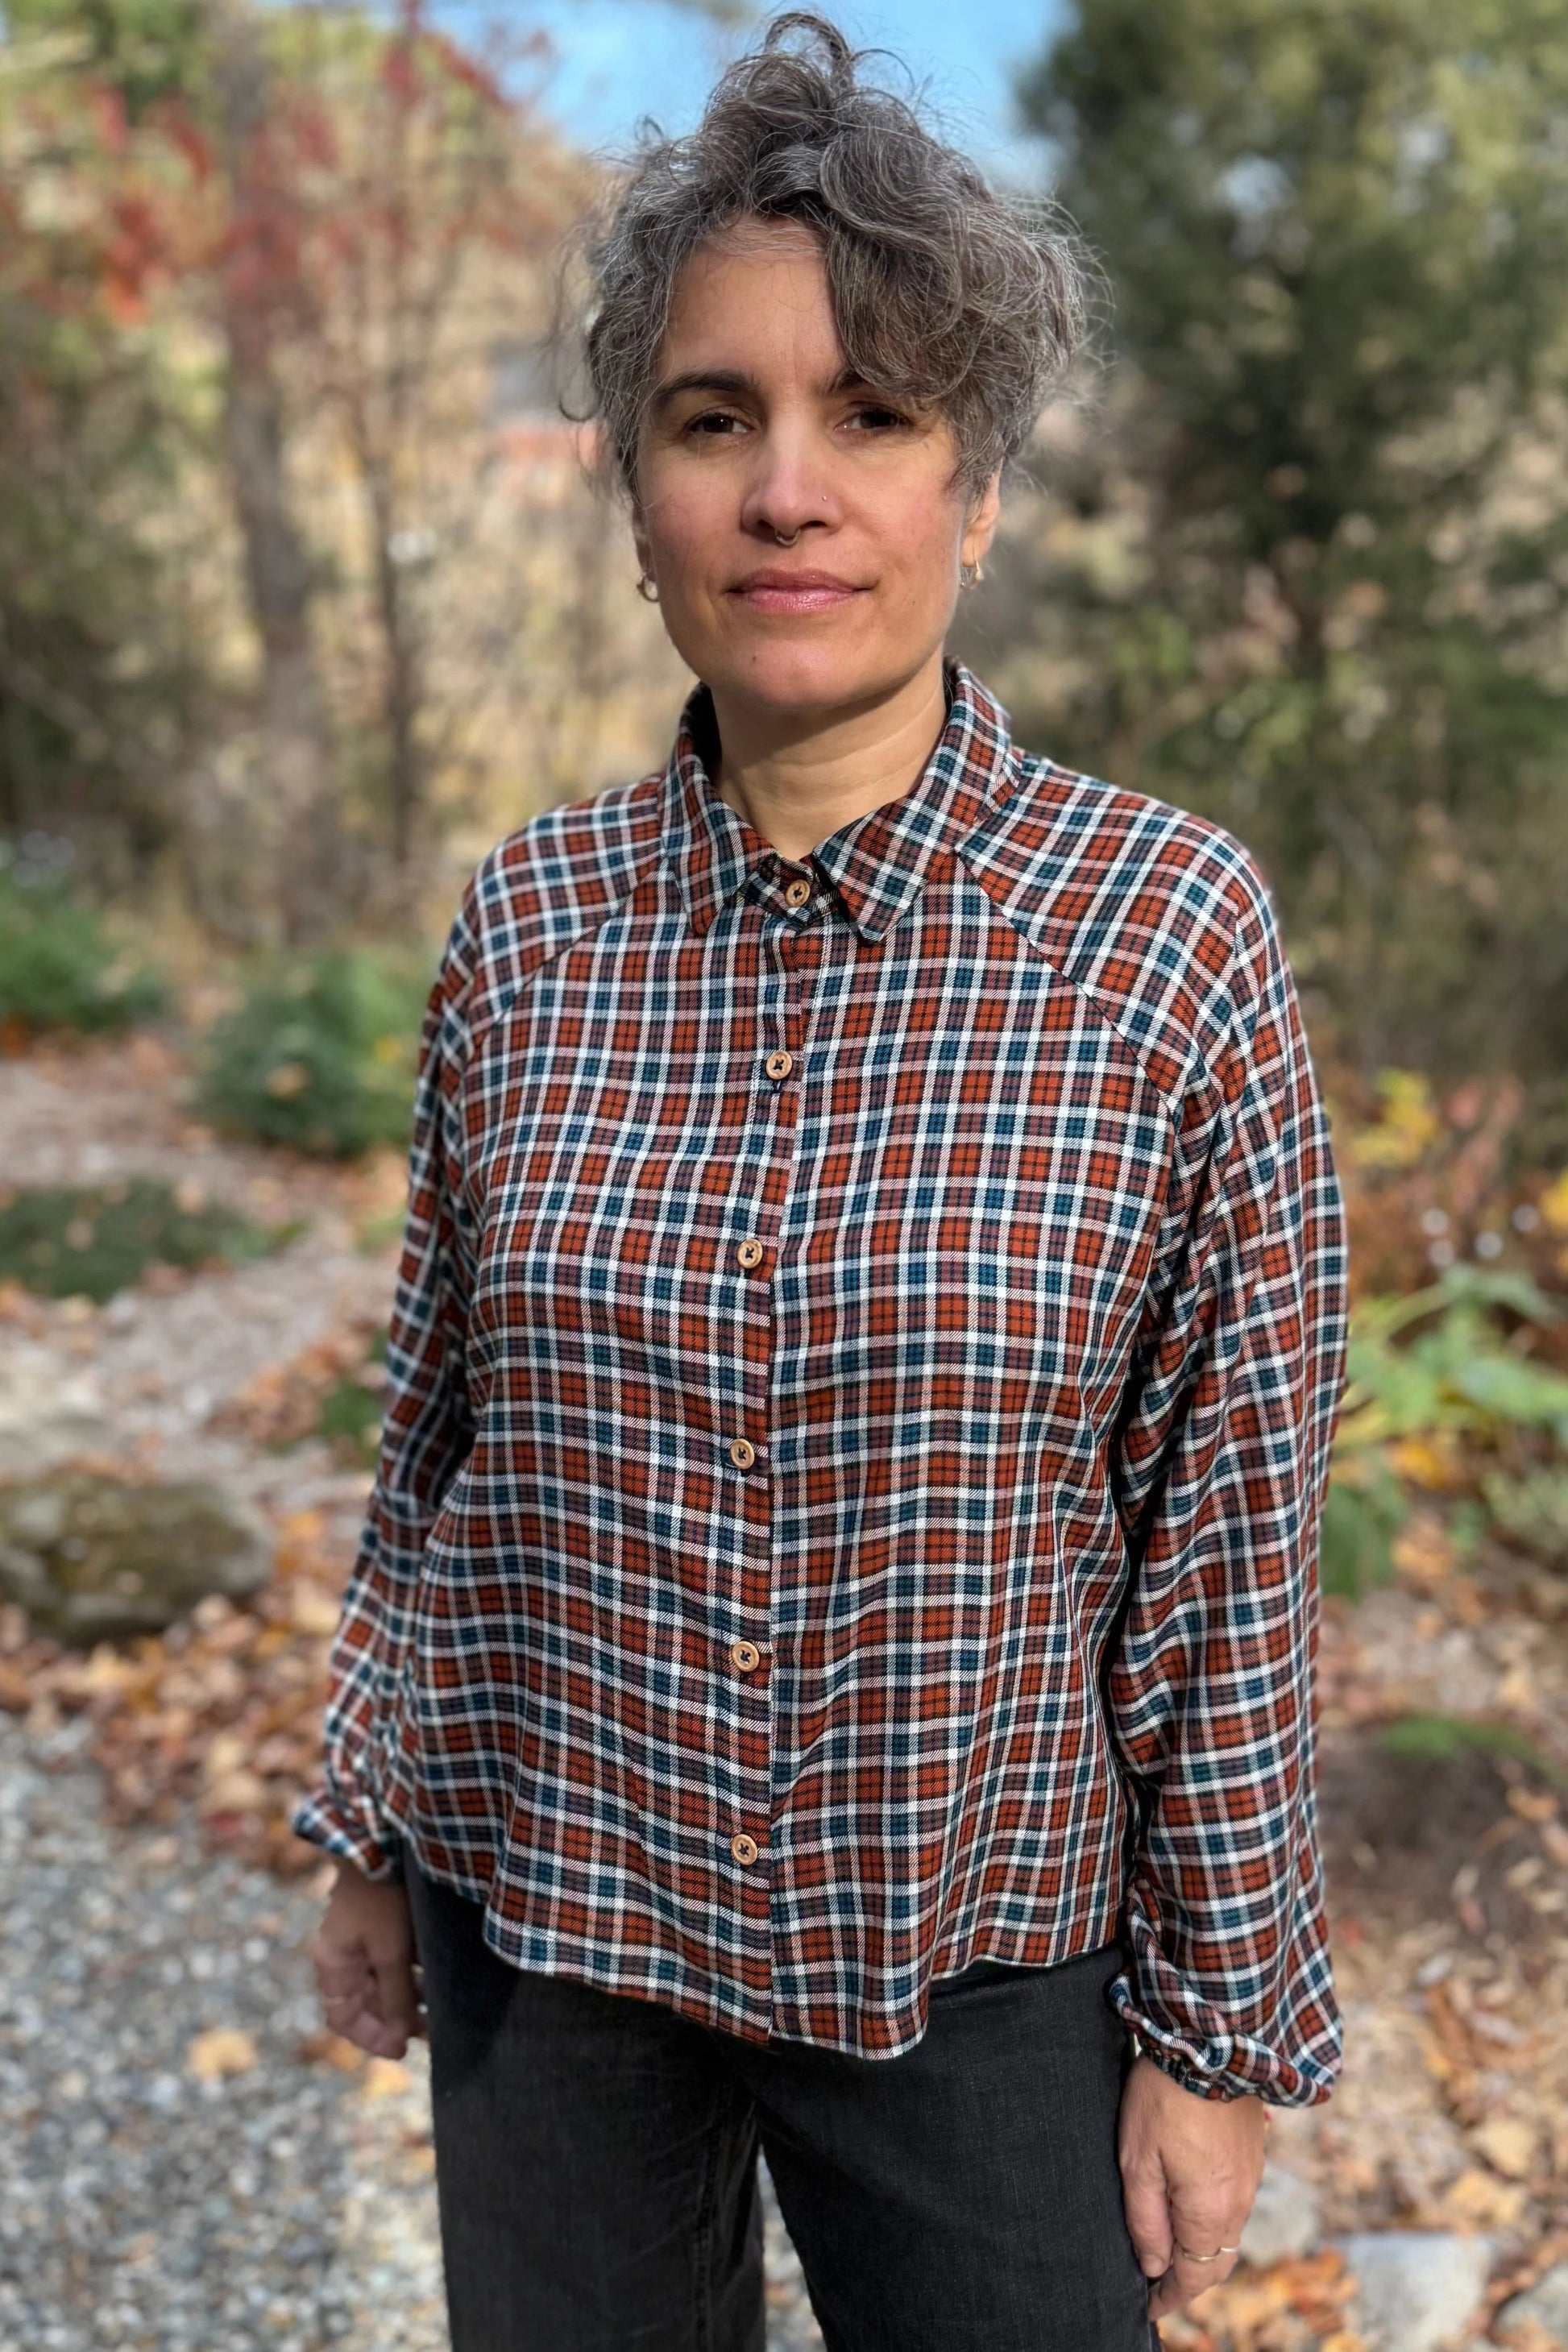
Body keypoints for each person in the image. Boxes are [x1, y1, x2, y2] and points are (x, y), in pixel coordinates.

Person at [292, 15, 1347, 2349]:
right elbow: (436, 1430)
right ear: (638, 489)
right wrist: (370, 1824)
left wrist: (1216, 2033)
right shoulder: (528, 927)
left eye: (870, 416)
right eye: (712, 417)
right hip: (550, 1936)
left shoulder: (1159, 937)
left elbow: (1230, 1523)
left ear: (972, 491)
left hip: (972, 1964)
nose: (789, 490)